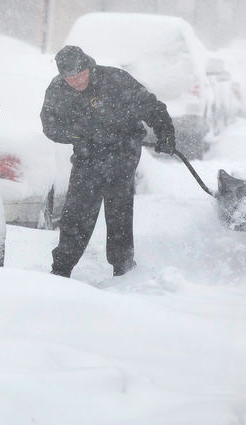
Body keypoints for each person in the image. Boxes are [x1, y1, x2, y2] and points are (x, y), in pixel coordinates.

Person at [40, 45, 175, 278]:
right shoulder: (58, 90)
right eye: (70, 78)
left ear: (88, 68)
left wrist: (165, 133)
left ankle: (122, 265)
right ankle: (62, 268)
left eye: (80, 75)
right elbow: (50, 127)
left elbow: (152, 107)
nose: (76, 81)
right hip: (87, 154)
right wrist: (80, 136)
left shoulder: (115, 80)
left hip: (123, 151)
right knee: (78, 210)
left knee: (119, 207)